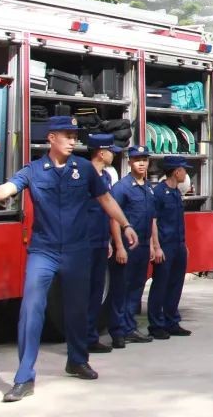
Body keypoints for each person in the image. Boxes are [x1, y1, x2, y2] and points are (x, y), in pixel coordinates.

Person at [0, 116, 139, 403]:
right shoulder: (33, 170)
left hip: (77, 251)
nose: (73, 140)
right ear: (51, 138)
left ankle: (77, 360)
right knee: (31, 309)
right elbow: (8, 188)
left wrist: (126, 224)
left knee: (77, 310)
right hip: (43, 251)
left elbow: (106, 200)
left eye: (75, 135)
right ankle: (24, 377)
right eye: (67, 135)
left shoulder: (84, 169)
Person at [107, 145, 159, 349]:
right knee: (121, 289)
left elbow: (152, 218)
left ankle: (129, 328)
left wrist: (153, 245)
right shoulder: (121, 187)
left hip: (143, 247)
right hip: (127, 247)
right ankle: (117, 332)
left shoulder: (148, 188)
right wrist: (119, 246)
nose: (142, 163)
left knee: (136, 289)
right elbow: (113, 218)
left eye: (145, 160)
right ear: (129, 162)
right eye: (137, 160)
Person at [85, 133, 124, 355]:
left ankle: (91, 338)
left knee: (96, 292)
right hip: (84, 242)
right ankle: (81, 339)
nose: (113, 156)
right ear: (101, 153)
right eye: (111, 151)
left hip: (100, 241)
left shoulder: (107, 177)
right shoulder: (83, 176)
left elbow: (108, 210)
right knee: (83, 292)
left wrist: (109, 240)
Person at [147, 156, 193, 340]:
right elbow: (153, 221)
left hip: (178, 245)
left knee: (175, 284)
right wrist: (156, 246)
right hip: (164, 246)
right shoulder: (159, 192)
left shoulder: (176, 192)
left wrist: (184, 245)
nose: (185, 173)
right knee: (160, 285)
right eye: (184, 169)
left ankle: (171, 321)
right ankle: (156, 325)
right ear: (176, 171)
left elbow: (179, 222)